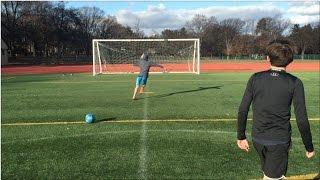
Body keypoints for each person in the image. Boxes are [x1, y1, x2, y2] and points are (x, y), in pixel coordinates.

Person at [236, 40, 314, 180]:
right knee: (274, 177)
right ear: (290, 60)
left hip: (257, 139)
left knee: (269, 173)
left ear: (268, 58)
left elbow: (243, 109)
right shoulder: (295, 83)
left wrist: (241, 136)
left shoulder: (255, 78)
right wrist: (309, 146)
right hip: (278, 141)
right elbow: (301, 119)